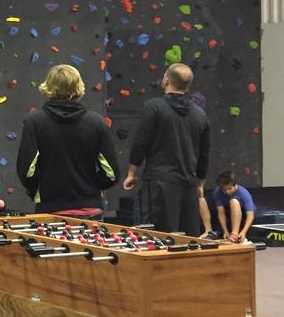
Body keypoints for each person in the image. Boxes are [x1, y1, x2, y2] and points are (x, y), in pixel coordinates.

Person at [16, 64, 120, 213]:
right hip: (89, 207)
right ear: (78, 86)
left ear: (48, 86)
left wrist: (41, 189)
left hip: (50, 207)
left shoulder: (35, 122)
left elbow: (27, 172)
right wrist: (91, 187)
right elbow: (111, 174)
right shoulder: (96, 122)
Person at [123, 63, 211, 236]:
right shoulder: (200, 114)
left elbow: (141, 142)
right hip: (189, 185)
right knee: (188, 239)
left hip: (159, 184)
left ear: (166, 81)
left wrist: (132, 173)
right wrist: (200, 183)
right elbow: (204, 153)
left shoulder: (154, 107)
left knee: (157, 238)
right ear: (187, 87)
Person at [203, 170, 256, 243]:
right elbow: (221, 213)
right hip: (228, 213)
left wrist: (244, 232)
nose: (227, 192)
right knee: (202, 200)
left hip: (242, 214)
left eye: (229, 189)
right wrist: (225, 231)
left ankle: (235, 233)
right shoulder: (217, 192)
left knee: (234, 201)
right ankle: (211, 231)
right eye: (224, 190)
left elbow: (250, 215)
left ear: (235, 185)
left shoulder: (243, 193)